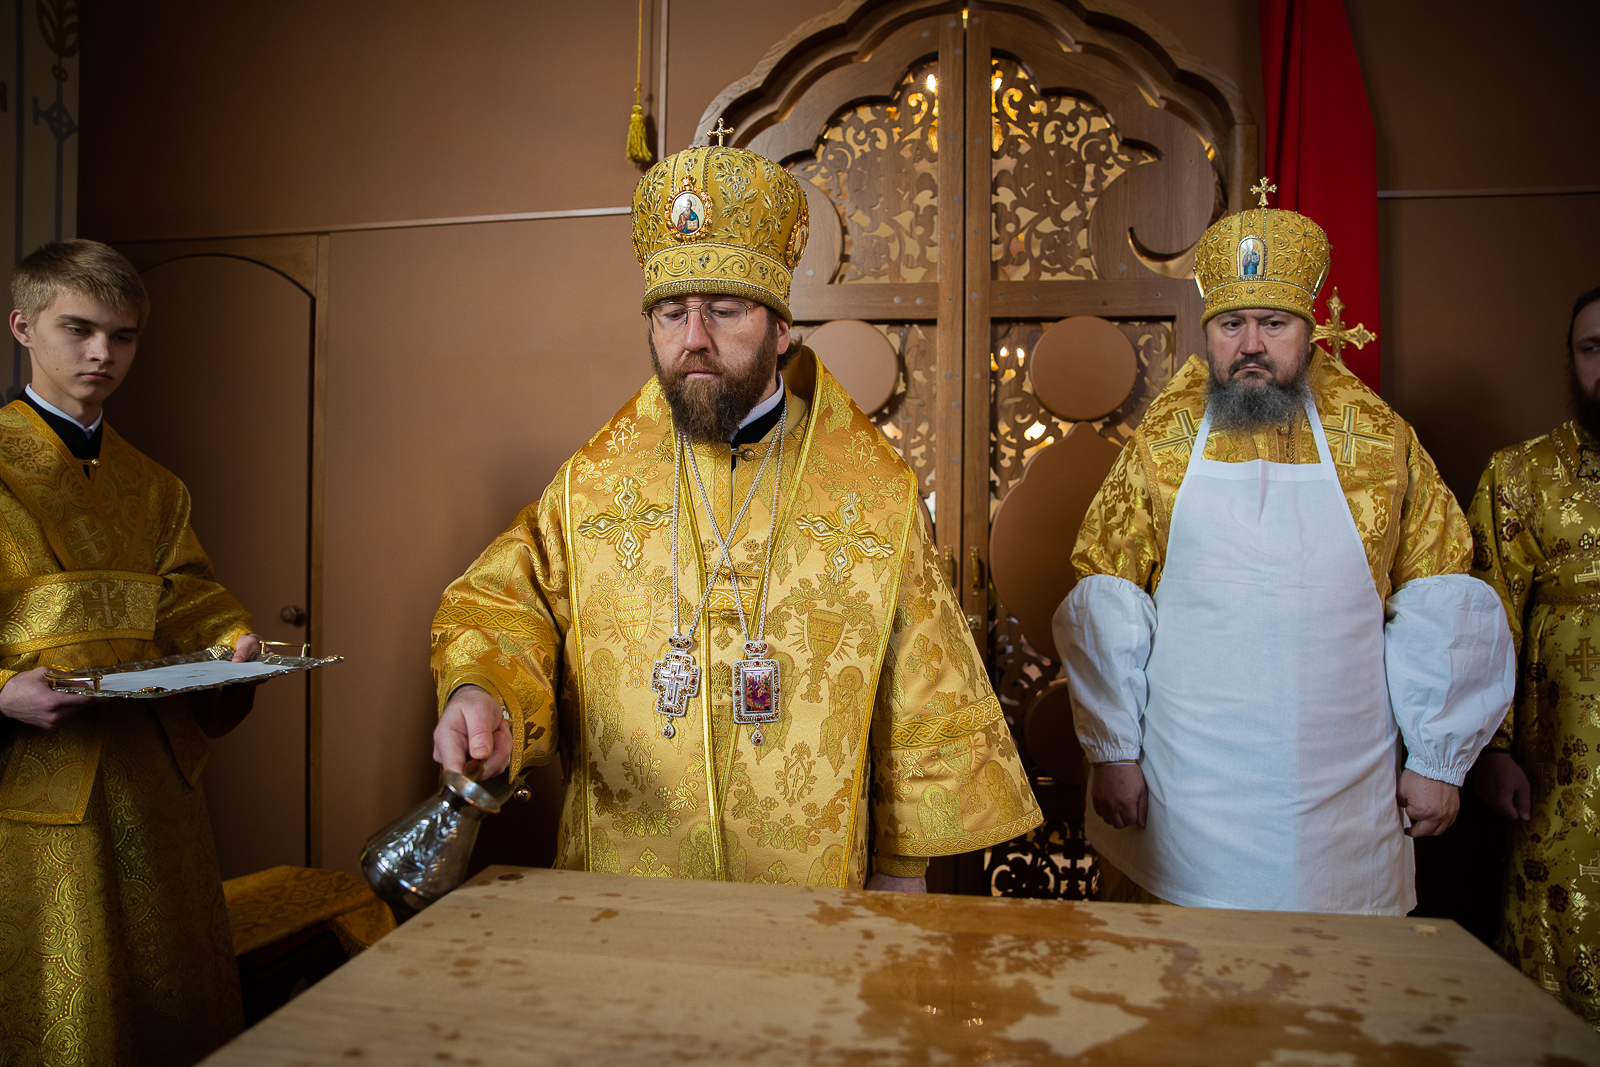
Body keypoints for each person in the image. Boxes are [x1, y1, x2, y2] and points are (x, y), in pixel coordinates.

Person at [430, 142, 1040, 890]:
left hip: (811, 902)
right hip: (624, 898)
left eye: (723, 310)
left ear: (781, 329)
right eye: (671, 314)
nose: (694, 338)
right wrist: (481, 691)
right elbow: (505, 606)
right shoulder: (592, 486)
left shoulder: (874, 495)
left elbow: (922, 693)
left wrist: (900, 873)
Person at [1053, 189, 1515, 915]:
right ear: (1210, 334)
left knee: (1334, 979)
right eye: (1231, 324)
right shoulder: (1163, 440)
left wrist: (1437, 760)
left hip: (1343, 795)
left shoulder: (1379, 440)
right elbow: (1108, 594)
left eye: (1273, 324)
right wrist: (1113, 752)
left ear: (1308, 330)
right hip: (1186, 790)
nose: (1251, 345)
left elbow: (1441, 595)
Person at [0, 240, 263, 1064]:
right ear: (22, 326)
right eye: (78, 329)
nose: (101, 353)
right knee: (68, 996)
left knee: (168, 989)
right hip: (38, 774)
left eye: (122, 336)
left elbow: (186, 595)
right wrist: (0, 692)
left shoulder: (154, 484)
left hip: (152, 773)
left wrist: (232, 643)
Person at [1467, 285, 1600, 1025]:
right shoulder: (1521, 474)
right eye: (1592, 348)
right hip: (1561, 781)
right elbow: (1485, 621)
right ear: (1571, 361)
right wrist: (1491, 748)